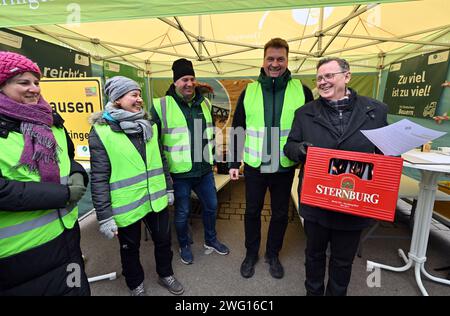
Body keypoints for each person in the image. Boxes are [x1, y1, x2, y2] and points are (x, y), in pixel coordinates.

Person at [283, 57, 388, 296]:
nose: (323, 82)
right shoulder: (304, 113)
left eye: (329, 76)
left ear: (347, 76)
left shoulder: (375, 111)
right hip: (317, 199)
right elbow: (289, 146)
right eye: (319, 78)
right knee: (314, 256)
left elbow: (385, 153)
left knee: (342, 261)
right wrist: (300, 150)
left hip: (354, 202)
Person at [0, 51, 90, 296]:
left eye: (37, 82)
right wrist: (62, 194)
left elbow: (68, 160)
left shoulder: (51, 122)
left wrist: (79, 176)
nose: (34, 89)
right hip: (18, 257)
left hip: (66, 236)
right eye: (23, 82)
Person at [88, 76, 184, 296]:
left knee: (163, 241)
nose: (140, 99)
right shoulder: (101, 132)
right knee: (130, 249)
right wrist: (105, 216)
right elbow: (99, 178)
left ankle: (165, 274)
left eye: (140, 94)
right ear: (118, 99)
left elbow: (161, 159)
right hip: (126, 203)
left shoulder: (149, 126)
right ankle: (135, 284)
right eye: (134, 94)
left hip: (156, 198)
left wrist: (168, 187)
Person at [229, 38, 313, 279]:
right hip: (255, 167)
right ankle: (251, 254)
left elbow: (310, 128)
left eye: (280, 59)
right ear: (263, 61)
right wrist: (234, 162)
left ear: (287, 60)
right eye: (270, 59)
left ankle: (273, 255)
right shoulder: (250, 90)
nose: (275, 63)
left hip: (284, 166)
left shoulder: (302, 90)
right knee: (252, 212)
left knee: (279, 214)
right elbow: (238, 127)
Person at [151, 58, 229, 265]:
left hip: (203, 169)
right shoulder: (161, 106)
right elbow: (153, 143)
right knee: (182, 213)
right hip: (179, 173)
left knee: (212, 206)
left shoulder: (205, 103)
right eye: (184, 79)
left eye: (192, 79)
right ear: (175, 81)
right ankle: (184, 244)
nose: (189, 83)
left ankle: (210, 240)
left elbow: (208, 134)